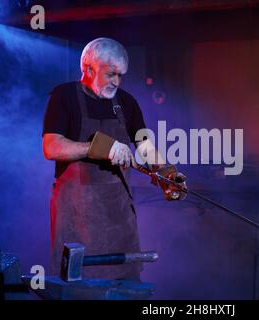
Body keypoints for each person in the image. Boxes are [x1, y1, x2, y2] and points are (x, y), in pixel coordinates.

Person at [42, 37, 185, 280]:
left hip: (118, 219)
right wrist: (98, 147)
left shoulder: (127, 102)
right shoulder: (63, 96)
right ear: (88, 68)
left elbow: (145, 144)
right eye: (111, 74)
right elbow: (51, 147)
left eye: (121, 75)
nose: (116, 82)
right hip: (76, 221)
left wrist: (166, 172)